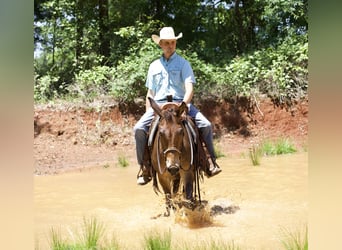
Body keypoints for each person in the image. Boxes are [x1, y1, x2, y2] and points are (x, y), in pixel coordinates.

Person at [134, 27, 221, 185]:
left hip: (180, 104)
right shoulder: (153, 66)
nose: (170, 45)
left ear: (175, 43)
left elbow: (190, 88)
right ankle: (145, 167)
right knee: (139, 129)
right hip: (159, 107)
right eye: (166, 43)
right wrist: (149, 111)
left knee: (206, 125)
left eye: (172, 42)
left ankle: (209, 162)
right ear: (160, 44)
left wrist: (184, 106)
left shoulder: (183, 64)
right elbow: (150, 92)